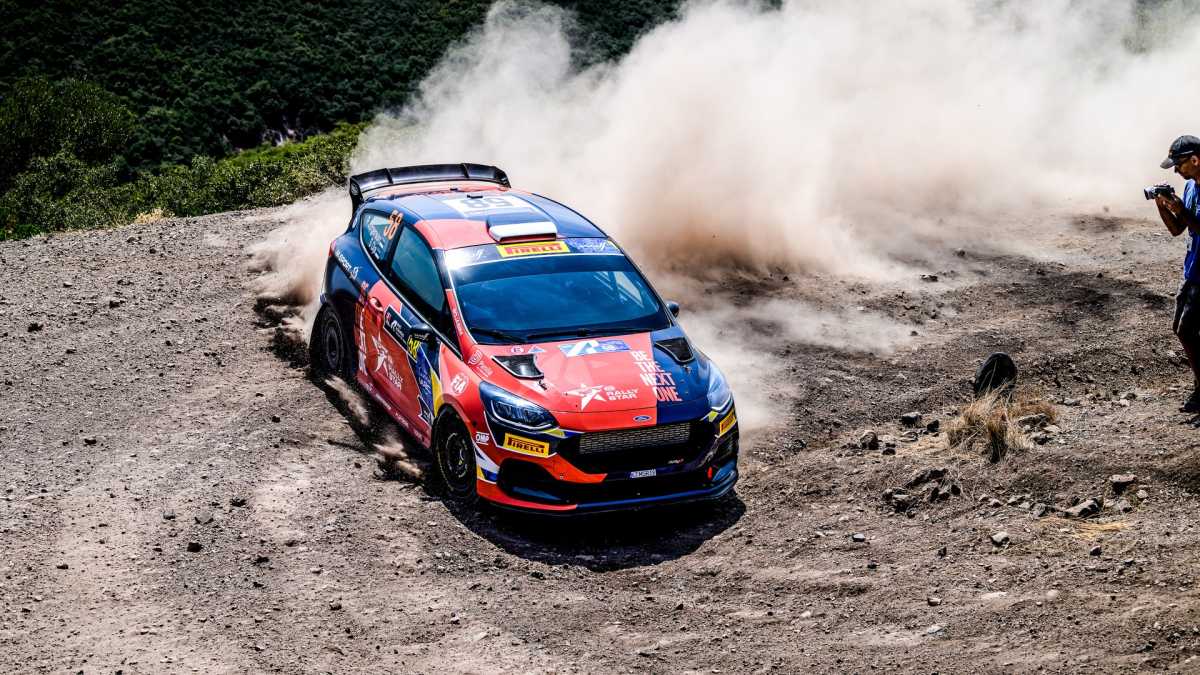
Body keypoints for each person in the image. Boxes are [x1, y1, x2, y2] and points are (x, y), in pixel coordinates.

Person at [1155, 135, 1200, 411]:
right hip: (1192, 269)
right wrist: (1163, 207)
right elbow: (1177, 229)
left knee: (1186, 329)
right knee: (1181, 328)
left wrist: (1181, 209)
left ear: (1195, 159)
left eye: (1179, 165)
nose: (1176, 171)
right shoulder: (1191, 187)